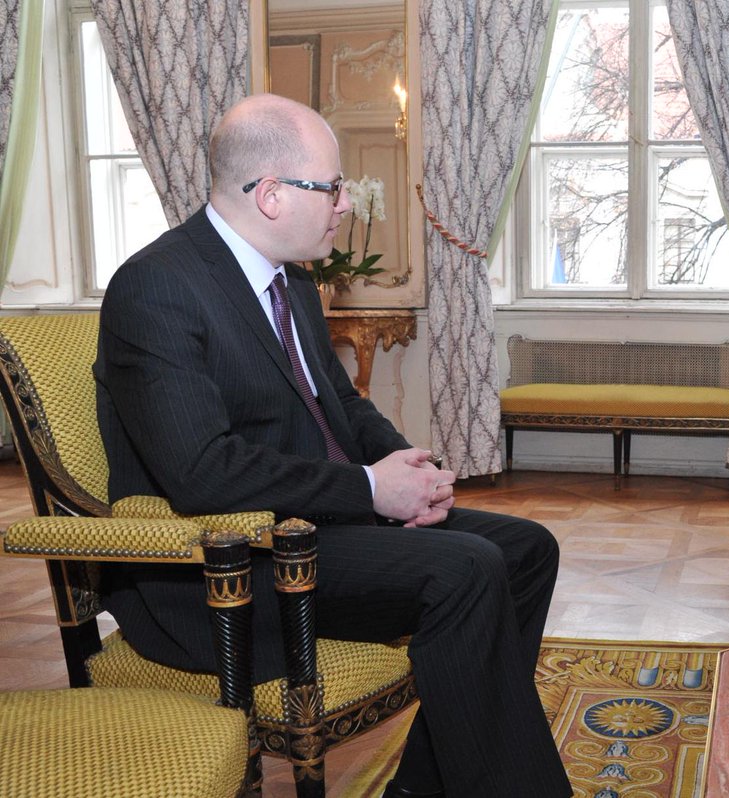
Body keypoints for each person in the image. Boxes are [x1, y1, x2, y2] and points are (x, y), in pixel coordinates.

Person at [93, 93, 571, 798]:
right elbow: (201, 472)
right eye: (333, 187)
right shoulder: (156, 287)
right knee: (466, 569)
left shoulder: (290, 278)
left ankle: (427, 786)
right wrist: (372, 491)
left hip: (313, 529)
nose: (346, 203)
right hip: (228, 567)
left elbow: (339, 405)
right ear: (272, 195)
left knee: (527, 548)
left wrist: (412, 471)